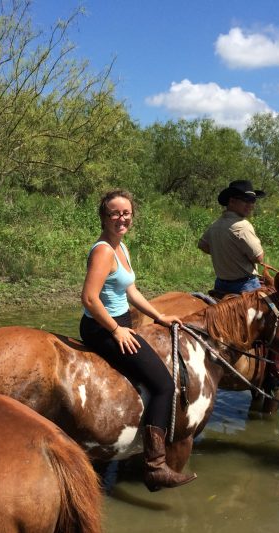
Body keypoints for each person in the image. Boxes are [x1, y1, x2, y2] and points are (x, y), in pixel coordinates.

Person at [80, 189, 197, 492]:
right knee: (165, 385)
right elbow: (90, 299)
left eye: (126, 213)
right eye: (115, 213)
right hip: (101, 326)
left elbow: (130, 292)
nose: (122, 218)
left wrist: (159, 316)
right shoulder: (104, 250)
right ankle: (156, 465)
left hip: (119, 322)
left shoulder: (122, 248)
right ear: (104, 217)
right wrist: (116, 331)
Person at [198, 179, 266, 295]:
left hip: (221, 284)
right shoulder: (242, 226)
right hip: (245, 285)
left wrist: (224, 253)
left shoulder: (216, 224)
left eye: (253, 201)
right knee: (274, 310)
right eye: (246, 200)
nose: (251, 205)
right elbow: (258, 258)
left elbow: (202, 245)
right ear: (232, 201)